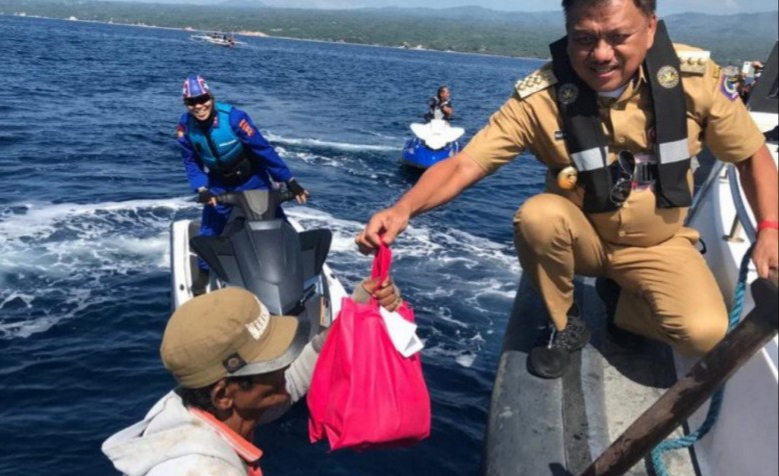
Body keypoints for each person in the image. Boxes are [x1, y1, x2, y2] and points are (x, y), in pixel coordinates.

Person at [356, 0, 778, 380]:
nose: (600, 54)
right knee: (538, 216)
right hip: (583, 240)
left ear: (650, 27)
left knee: (704, 334)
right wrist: (403, 209)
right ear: (568, 36)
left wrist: (770, 229)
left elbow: (751, 155)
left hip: (659, 243)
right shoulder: (541, 97)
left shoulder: (694, 81)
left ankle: (622, 307)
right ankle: (566, 321)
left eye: (618, 37)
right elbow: (467, 163)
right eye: (584, 39)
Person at [102, 278, 401, 476]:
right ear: (223, 394)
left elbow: (291, 383)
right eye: (273, 359)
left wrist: (351, 317)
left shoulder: (199, 406)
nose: (286, 364)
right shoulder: (200, 469)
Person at [177, 75, 308, 287]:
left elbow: (263, 150)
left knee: (277, 220)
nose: (199, 106)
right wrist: (201, 188)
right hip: (218, 182)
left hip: (252, 179)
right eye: (192, 102)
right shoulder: (185, 128)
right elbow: (190, 162)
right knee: (210, 228)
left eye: (203, 99)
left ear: (211, 97)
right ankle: (203, 272)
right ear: (186, 104)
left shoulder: (235, 119)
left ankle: (295, 266)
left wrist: (289, 180)